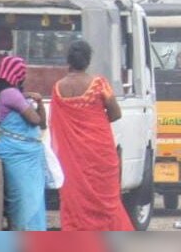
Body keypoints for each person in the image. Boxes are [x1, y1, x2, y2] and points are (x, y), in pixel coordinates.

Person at [49, 41, 133, 231]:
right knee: (106, 202)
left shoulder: (58, 88)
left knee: (75, 200)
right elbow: (115, 113)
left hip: (72, 157)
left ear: (68, 60)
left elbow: (54, 122)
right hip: (100, 153)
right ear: (88, 61)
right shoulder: (99, 83)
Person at [0, 55, 47, 231]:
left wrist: (39, 102)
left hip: (25, 156)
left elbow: (42, 123)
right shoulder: (11, 94)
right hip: (18, 157)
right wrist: (36, 101)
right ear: (17, 74)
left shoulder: (14, 95)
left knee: (31, 200)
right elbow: (35, 119)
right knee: (25, 202)